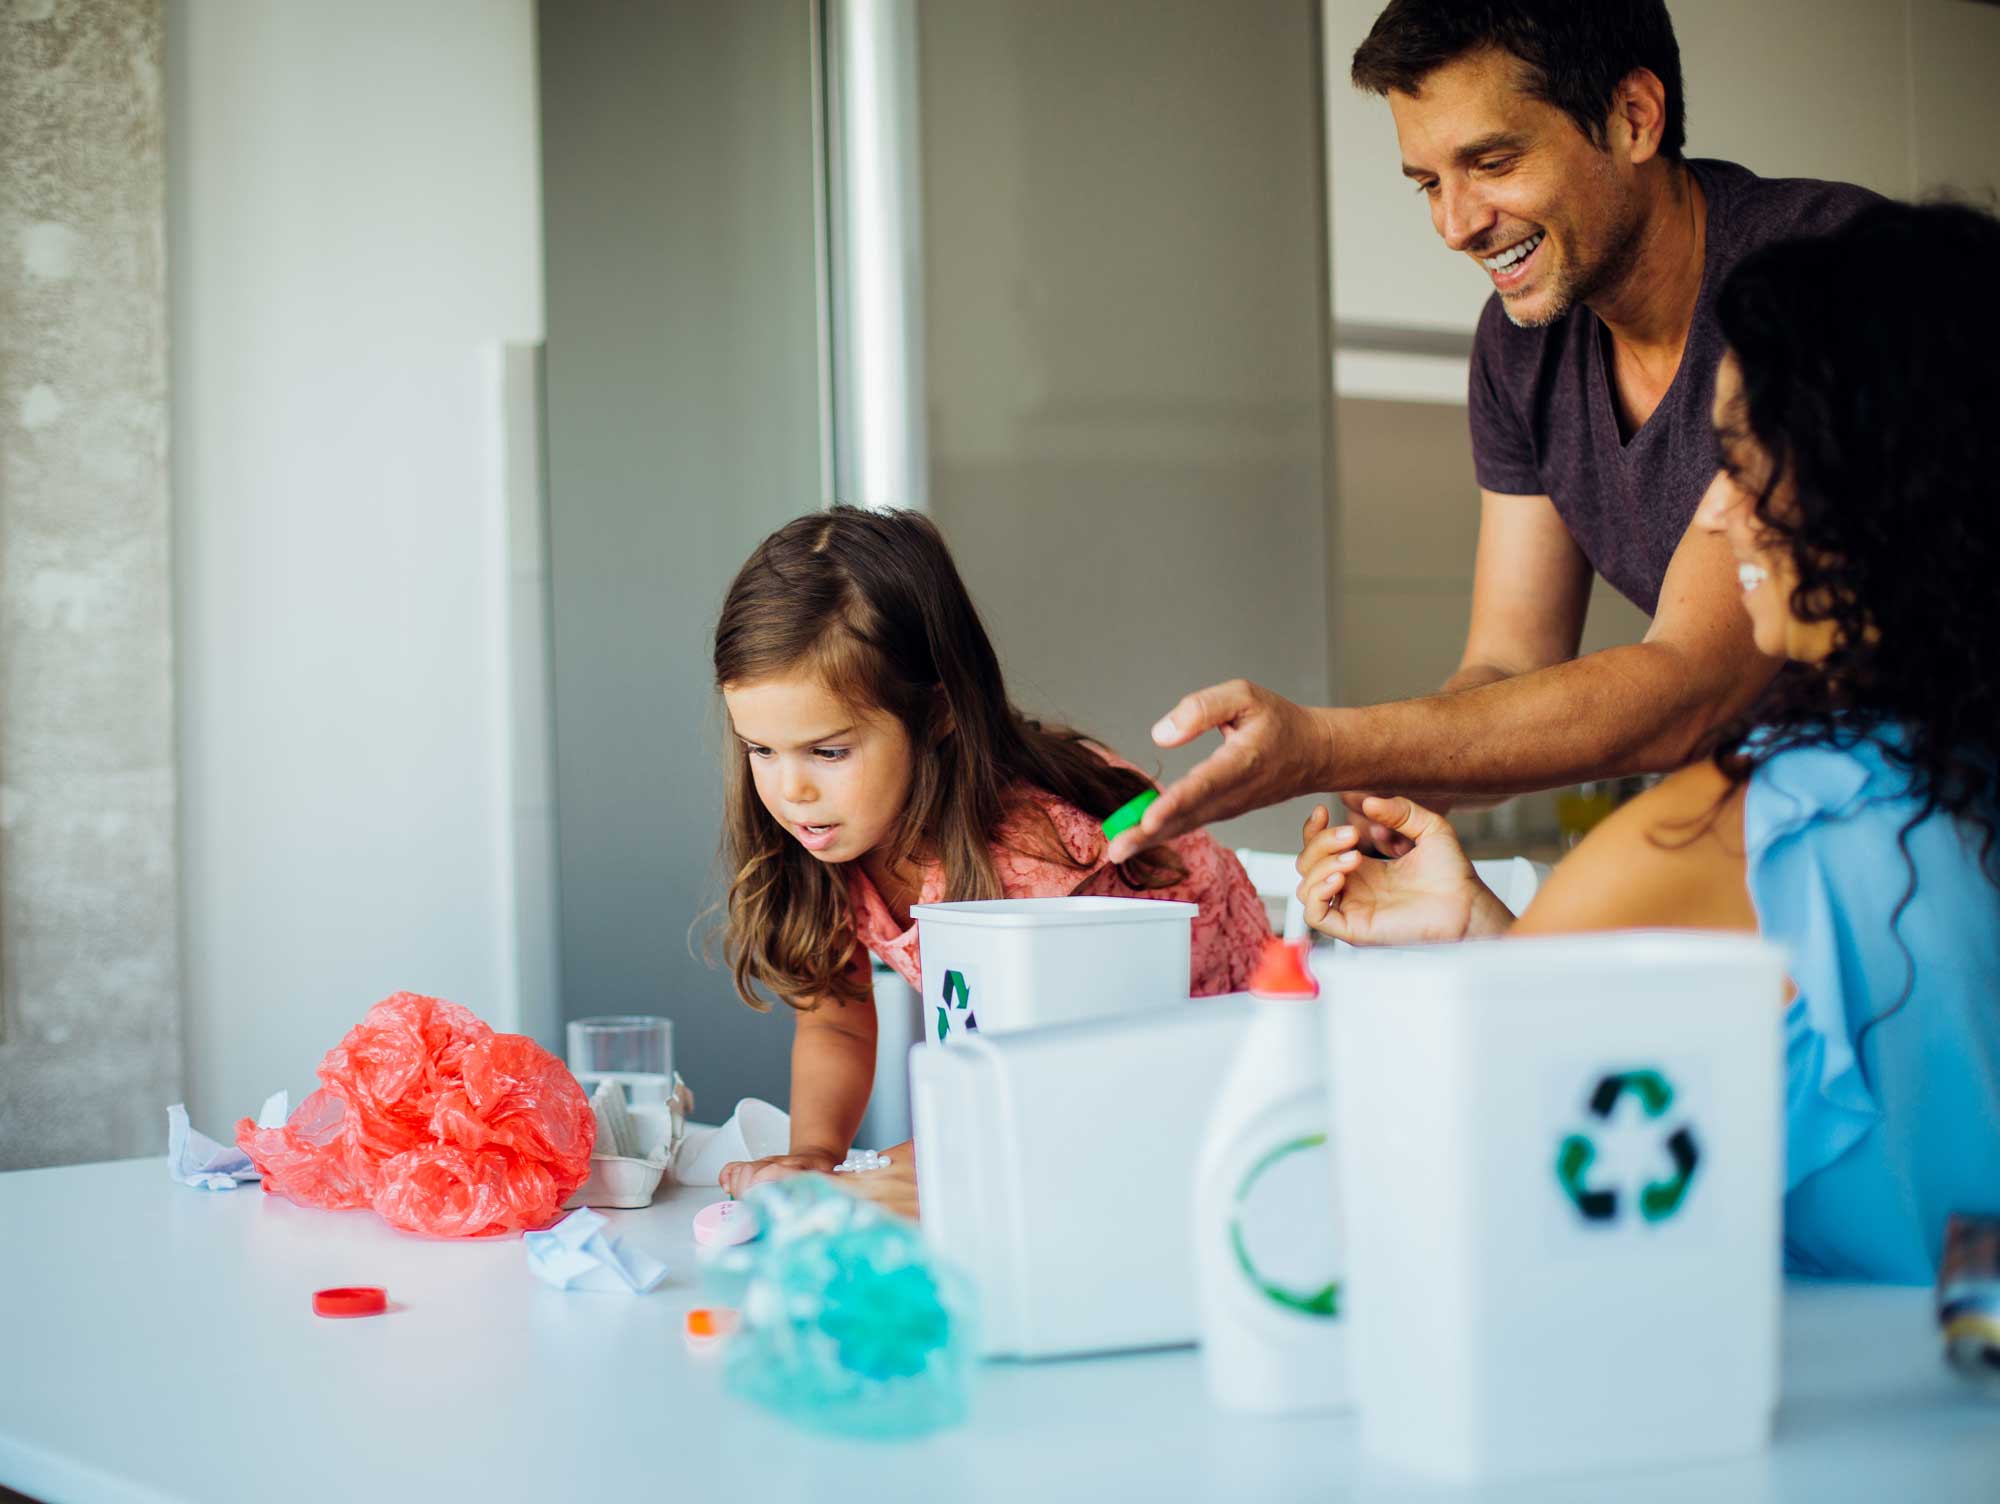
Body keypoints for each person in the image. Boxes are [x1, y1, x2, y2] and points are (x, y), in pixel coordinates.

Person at [1296, 202, 2000, 1282]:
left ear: (1875, 490)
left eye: (1740, 461)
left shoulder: (1719, 837)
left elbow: (1469, 1146)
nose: (1711, 515)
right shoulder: (1950, 779)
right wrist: (1483, 928)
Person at [1107, 0, 1879, 866]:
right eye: (1429, 184)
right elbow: (1511, 662)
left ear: (1634, 117)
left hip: (1936, 803)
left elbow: (1689, 687)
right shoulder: (1519, 350)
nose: (1456, 225)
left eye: (1493, 163)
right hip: (1790, 819)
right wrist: (1402, 790)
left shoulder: (1826, 276)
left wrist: (1326, 747)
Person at [710, 507, 1269, 1198]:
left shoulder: (1031, 855)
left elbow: (1038, 1094)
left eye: (828, 752)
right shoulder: (834, 832)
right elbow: (835, 1020)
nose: (790, 790)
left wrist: (869, 1177)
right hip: (1088, 1103)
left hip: (1227, 1094)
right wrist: (816, 1154)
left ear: (936, 714)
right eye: (761, 749)